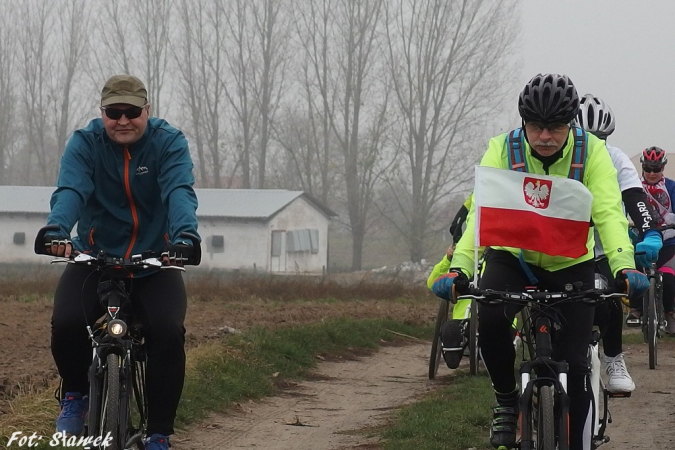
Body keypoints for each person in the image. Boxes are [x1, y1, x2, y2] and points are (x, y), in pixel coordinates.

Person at [430, 74, 648, 450]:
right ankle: (505, 400)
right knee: (494, 321)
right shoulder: (502, 150)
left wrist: (623, 265)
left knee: (576, 368)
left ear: (570, 125)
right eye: (536, 127)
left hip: (571, 264)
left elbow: (610, 214)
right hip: (512, 257)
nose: (545, 137)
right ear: (523, 123)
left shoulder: (591, 153)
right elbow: (480, 215)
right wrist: (459, 269)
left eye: (555, 128)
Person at [39, 74, 200, 450]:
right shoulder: (85, 144)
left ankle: (159, 433)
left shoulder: (168, 143)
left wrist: (184, 238)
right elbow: (71, 189)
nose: (123, 121)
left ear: (147, 111)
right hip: (95, 257)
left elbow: (179, 190)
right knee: (65, 323)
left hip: (155, 260)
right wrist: (56, 230)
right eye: (114, 112)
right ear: (102, 112)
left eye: (132, 112)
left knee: (166, 331)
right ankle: (75, 396)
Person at [573, 94, 662, 393]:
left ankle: (613, 358)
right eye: (587, 137)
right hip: (563, 247)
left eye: (601, 138)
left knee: (609, 299)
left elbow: (634, 198)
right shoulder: (556, 155)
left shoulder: (615, 158)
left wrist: (650, 231)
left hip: (604, 247)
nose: (594, 144)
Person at [626, 146, 675, 334]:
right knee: (634, 275)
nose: (652, 173)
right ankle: (636, 309)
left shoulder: (671, 187)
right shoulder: (634, 187)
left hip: (668, 242)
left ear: (663, 168)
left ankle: (669, 313)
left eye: (656, 169)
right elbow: (623, 207)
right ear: (642, 168)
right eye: (648, 168)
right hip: (640, 239)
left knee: (669, 278)